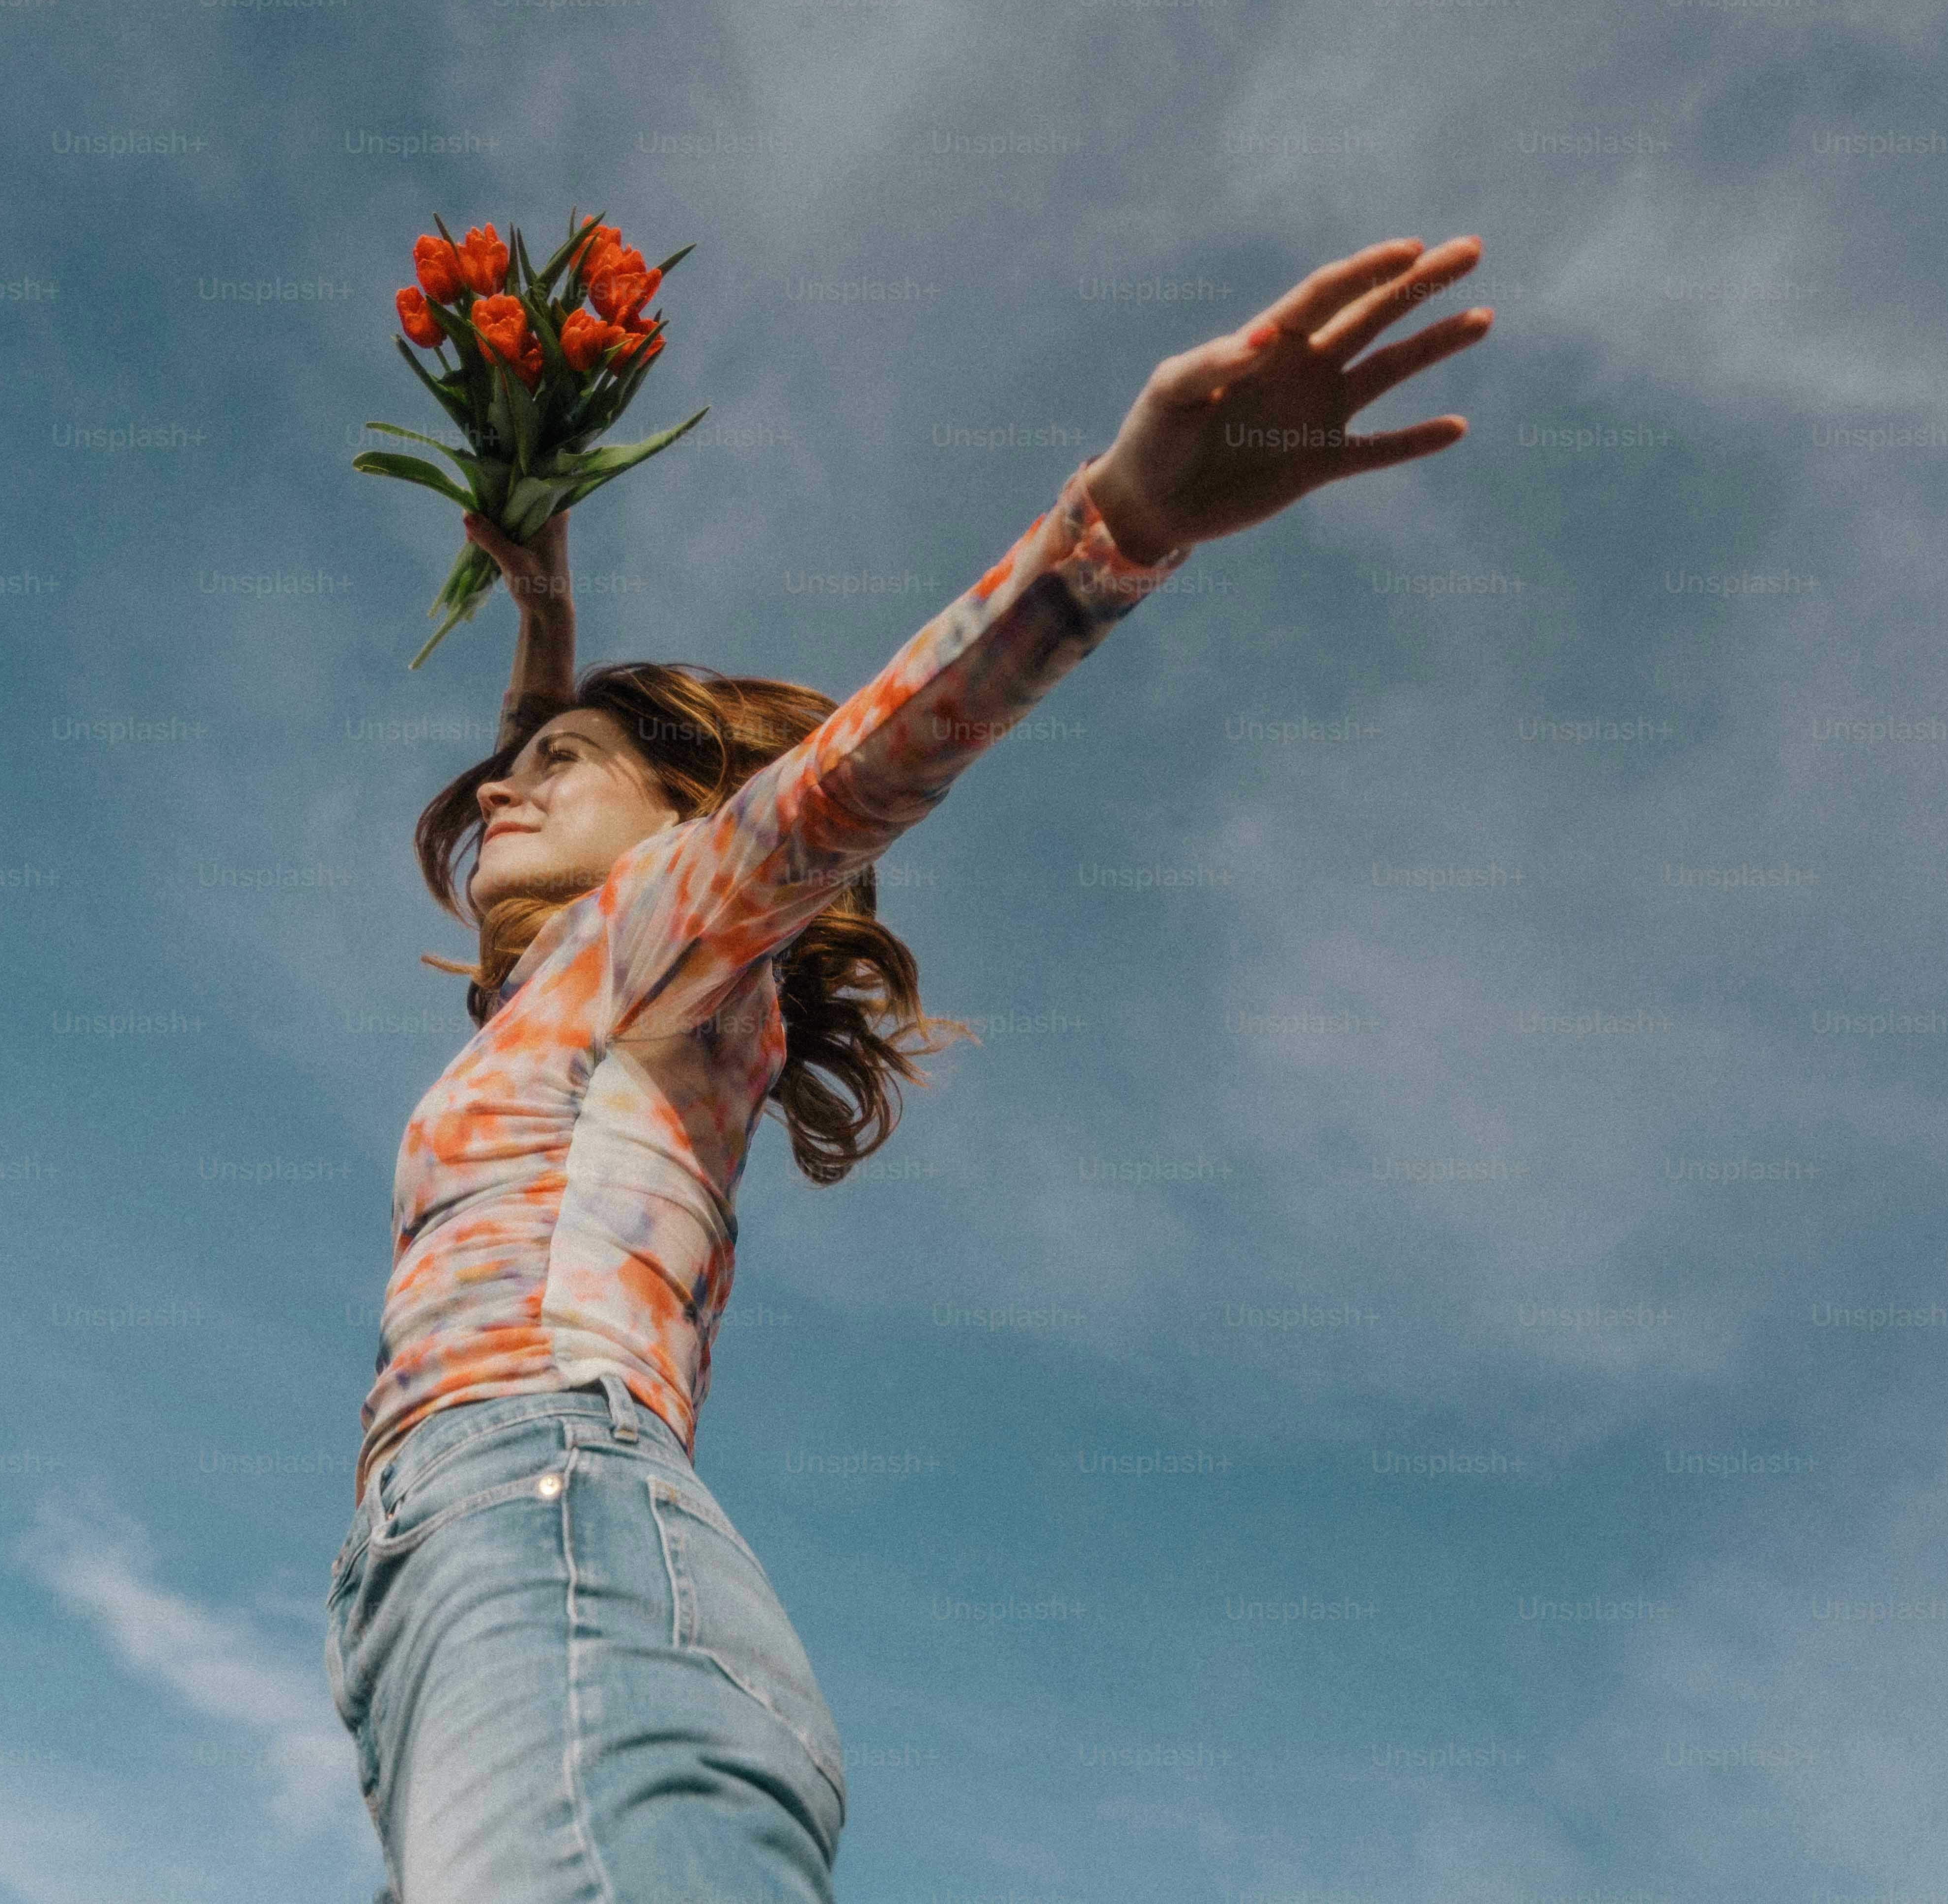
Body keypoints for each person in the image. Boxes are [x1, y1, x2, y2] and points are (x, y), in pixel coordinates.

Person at [326, 234, 1496, 1902]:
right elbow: (552, 862)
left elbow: (839, 782)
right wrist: (546, 623)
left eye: (559, 764)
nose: (503, 789)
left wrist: (1123, 524)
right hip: (436, 1568)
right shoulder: (577, 1004)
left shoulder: (664, 922)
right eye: (513, 764)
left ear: (680, 823)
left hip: (543, 1501)